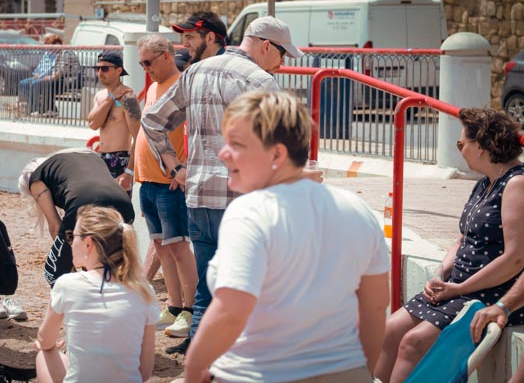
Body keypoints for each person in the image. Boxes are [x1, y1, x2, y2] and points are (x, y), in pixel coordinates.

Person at [181, 91, 389, 382]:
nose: (223, 153)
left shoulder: (250, 212)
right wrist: (362, 372)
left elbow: (230, 312)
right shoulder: (357, 209)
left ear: (277, 154)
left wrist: (192, 372)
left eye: (236, 145)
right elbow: (376, 306)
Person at [142, 15, 306, 355]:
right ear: (266, 46)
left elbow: (153, 120)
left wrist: (175, 167)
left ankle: (198, 363)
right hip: (241, 204)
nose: (283, 61)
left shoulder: (196, 72)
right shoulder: (261, 81)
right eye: (282, 54)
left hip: (199, 197)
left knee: (206, 290)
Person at [375, 107, 524, 383]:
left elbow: (516, 258)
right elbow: (462, 237)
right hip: (457, 287)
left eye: (461, 144)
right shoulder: (485, 183)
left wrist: (459, 288)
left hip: (486, 294)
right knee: (388, 331)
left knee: (413, 343)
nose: (460, 150)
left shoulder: (516, 184)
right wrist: (441, 273)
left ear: (481, 147)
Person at [35, 205, 158, 382]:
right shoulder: (144, 291)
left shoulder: (67, 284)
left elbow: (44, 340)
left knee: (44, 355)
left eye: (72, 237)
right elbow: (144, 372)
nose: (71, 243)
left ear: (88, 243)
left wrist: (50, 346)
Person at [134, 34, 197, 339]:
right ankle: (174, 305)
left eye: (148, 62)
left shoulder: (181, 84)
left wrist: (181, 170)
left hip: (169, 181)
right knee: (161, 245)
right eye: (141, 63)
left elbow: (192, 132)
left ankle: (191, 308)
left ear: (166, 56)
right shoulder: (154, 86)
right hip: (148, 179)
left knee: (179, 247)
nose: (145, 69)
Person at [19, 149, 135, 287]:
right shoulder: (87, 157)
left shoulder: (36, 179)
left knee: (54, 273)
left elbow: (55, 226)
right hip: (124, 204)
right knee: (114, 270)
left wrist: (69, 265)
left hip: (83, 203)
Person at [87, 51, 141, 195]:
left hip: (120, 161)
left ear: (118, 70)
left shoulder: (128, 98)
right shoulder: (100, 96)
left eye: (105, 69)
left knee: (118, 213)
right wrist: (110, 98)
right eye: (97, 69)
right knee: (100, 211)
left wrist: (129, 172)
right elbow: (93, 124)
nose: (100, 72)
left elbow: (139, 137)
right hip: (101, 158)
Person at [18, 34, 79, 117]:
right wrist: (45, 76)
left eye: (52, 47)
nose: (51, 50)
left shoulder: (66, 53)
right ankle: (42, 107)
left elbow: (62, 70)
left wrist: (50, 77)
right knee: (26, 83)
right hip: (60, 78)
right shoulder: (59, 53)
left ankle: (39, 108)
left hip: (68, 79)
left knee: (43, 83)